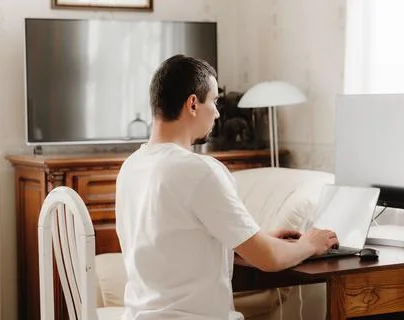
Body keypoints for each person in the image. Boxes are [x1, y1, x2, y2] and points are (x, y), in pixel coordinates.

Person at [115, 54, 339, 320]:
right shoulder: (199, 170)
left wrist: (255, 237)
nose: (218, 112)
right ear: (193, 104)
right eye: (214, 101)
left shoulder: (130, 166)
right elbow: (269, 259)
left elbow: (173, 241)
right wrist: (310, 245)